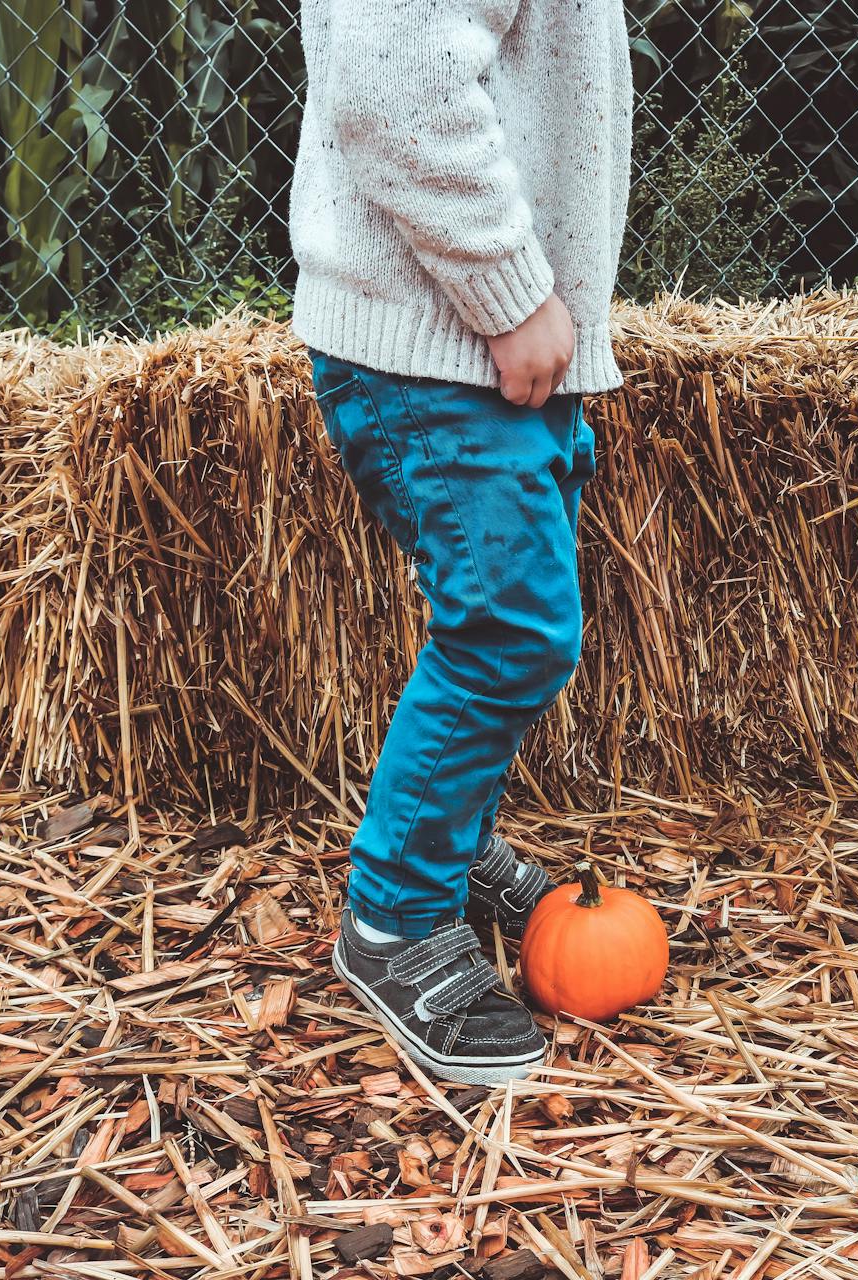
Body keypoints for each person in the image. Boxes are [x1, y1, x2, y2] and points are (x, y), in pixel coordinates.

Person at [288, 0, 632, 1083]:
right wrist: (510, 292)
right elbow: (394, 89)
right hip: (444, 343)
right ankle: (392, 915)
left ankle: (451, 842)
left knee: (512, 619)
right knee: (508, 631)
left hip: (485, 349)